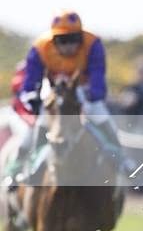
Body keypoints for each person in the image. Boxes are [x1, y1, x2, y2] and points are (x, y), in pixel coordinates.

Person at [3, 11, 127, 188]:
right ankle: (20, 167)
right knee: (39, 123)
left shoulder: (93, 44)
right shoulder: (40, 47)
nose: (68, 45)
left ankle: (121, 159)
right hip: (53, 89)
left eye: (73, 39)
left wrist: (90, 96)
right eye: (62, 40)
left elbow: (98, 79)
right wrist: (32, 99)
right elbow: (30, 82)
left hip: (83, 91)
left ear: (81, 37)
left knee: (100, 115)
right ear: (53, 40)